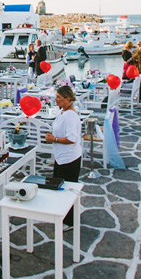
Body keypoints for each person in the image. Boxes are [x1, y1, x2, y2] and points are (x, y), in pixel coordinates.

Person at [44, 85, 82, 226]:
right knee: (59, 189)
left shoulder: (70, 115)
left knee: (67, 192)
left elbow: (72, 138)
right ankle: (62, 216)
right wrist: (53, 135)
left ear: (67, 99)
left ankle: (69, 222)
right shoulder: (63, 111)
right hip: (61, 157)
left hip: (69, 159)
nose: (56, 99)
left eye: (59, 97)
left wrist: (54, 139)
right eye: (56, 96)